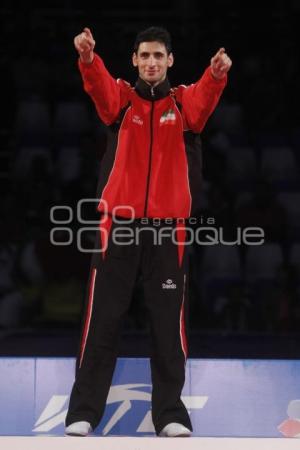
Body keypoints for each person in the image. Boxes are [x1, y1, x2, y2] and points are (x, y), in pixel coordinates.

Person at [65, 26, 232, 437]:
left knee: (167, 326)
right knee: (101, 320)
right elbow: (99, 88)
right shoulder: (121, 101)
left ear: (170, 60)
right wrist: (88, 59)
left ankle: (171, 414)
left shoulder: (184, 104)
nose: (152, 62)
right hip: (117, 228)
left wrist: (215, 75)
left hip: (167, 231)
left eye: (159, 55)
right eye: (145, 56)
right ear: (135, 60)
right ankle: (83, 412)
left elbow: (204, 102)